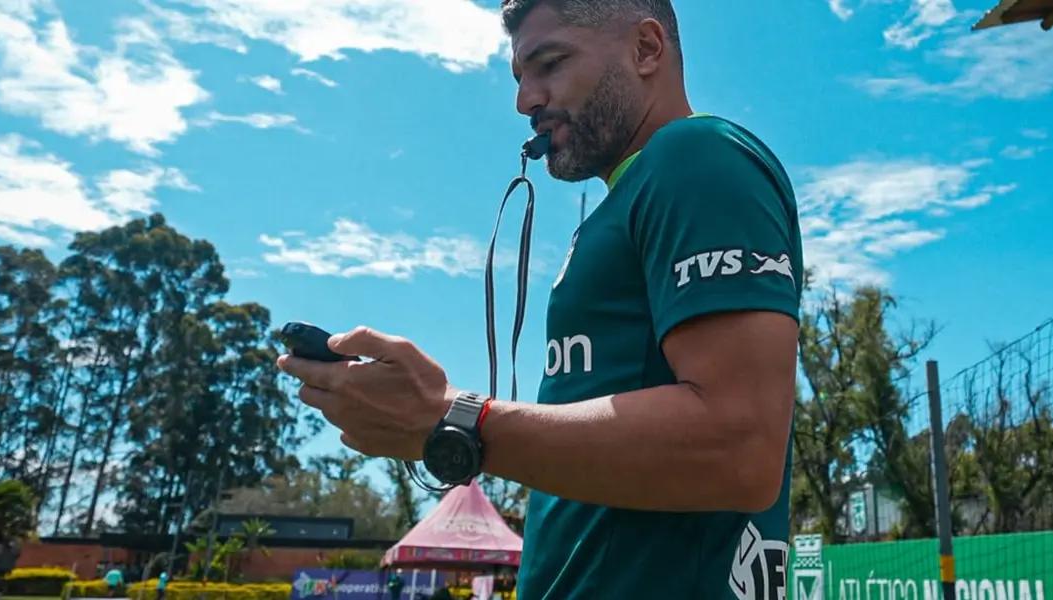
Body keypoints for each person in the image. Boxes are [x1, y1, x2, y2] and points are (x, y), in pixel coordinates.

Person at [276, 0, 802, 598]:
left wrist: (454, 422)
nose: (525, 101)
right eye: (519, 78)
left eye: (549, 64)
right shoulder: (623, 203)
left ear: (647, 49)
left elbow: (740, 446)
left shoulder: (699, 156)